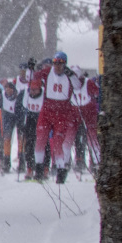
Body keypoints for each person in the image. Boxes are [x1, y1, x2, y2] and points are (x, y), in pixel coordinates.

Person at [35, 51, 83, 182]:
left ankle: (61, 170)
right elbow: (34, 77)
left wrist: (72, 75)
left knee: (58, 141)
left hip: (62, 111)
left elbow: (78, 86)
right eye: (55, 63)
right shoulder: (48, 71)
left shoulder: (68, 75)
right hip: (47, 109)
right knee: (41, 138)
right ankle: (38, 168)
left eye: (60, 64)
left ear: (65, 64)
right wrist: (33, 67)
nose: (57, 67)